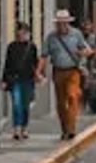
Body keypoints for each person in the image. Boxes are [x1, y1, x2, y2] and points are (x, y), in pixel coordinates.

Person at [37, 9, 92, 140]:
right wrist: (38, 71)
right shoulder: (51, 37)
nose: (61, 25)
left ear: (68, 23)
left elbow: (86, 50)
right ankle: (64, 129)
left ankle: (71, 129)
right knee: (61, 102)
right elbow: (44, 56)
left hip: (73, 70)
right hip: (58, 71)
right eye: (59, 23)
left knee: (72, 97)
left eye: (64, 23)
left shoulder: (76, 34)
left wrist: (82, 53)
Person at [2, 21, 39, 141]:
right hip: (15, 79)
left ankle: (24, 127)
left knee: (25, 106)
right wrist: (4, 80)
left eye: (24, 32)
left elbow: (35, 64)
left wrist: (38, 75)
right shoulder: (11, 46)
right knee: (16, 104)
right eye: (20, 32)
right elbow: (7, 64)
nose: (22, 34)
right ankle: (17, 129)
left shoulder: (32, 47)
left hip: (28, 79)